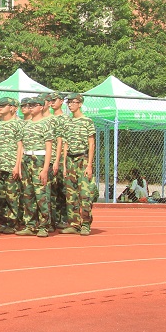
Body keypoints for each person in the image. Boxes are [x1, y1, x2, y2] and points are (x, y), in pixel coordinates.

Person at [17, 97, 53, 237]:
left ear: (41, 107)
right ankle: (30, 225)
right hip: (26, 159)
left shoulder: (46, 123)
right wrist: (19, 164)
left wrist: (45, 169)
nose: (30, 107)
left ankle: (44, 225)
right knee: (28, 193)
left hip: (39, 159)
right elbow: (21, 146)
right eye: (28, 105)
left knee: (41, 194)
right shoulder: (25, 124)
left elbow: (49, 148)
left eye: (33, 105)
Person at [0, 97, 24, 234]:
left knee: (12, 196)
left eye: (3, 105)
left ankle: (13, 223)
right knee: (0, 197)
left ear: (13, 108)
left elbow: (20, 146)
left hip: (10, 165)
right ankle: (3, 222)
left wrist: (17, 165)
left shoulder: (19, 124)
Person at [61, 93, 96, 235]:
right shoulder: (68, 122)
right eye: (68, 103)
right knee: (71, 195)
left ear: (80, 103)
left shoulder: (87, 121)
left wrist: (89, 165)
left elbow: (91, 144)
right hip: (70, 160)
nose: (70, 105)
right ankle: (74, 223)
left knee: (85, 194)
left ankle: (86, 223)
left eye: (73, 102)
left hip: (83, 159)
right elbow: (65, 144)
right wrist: (64, 165)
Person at [46, 91, 68, 230]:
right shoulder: (48, 118)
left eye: (55, 100)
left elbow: (65, 142)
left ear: (61, 101)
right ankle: (53, 219)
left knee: (63, 190)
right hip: (51, 157)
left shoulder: (65, 119)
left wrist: (63, 161)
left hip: (61, 160)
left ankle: (64, 219)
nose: (52, 102)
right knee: (52, 191)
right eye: (50, 100)